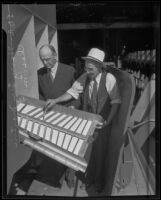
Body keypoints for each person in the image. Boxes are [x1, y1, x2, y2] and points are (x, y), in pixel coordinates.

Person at [44, 47, 122, 193]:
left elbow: (116, 101)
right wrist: (55, 100)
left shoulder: (109, 79)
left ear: (99, 67)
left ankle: (97, 183)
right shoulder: (85, 76)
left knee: (100, 154)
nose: (88, 71)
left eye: (91, 69)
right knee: (87, 152)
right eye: (86, 68)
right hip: (87, 122)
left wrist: (108, 121)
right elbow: (72, 93)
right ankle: (88, 179)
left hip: (102, 124)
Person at [8, 45, 77, 195]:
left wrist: (73, 108)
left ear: (55, 55)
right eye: (42, 59)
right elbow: (40, 96)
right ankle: (50, 174)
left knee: (69, 148)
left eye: (48, 59)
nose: (45, 62)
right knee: (54, 146)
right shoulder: (40, 74)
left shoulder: (69, 71)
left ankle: (70, 175)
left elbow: (78, 93)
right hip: (51, 116)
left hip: (68, 115)